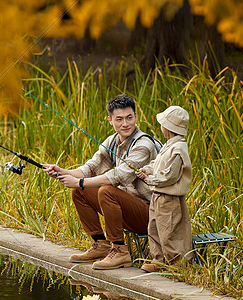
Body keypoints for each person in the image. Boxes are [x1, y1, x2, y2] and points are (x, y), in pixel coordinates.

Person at [44, 94, 160, 270]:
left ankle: (120, 251)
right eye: (119, 119)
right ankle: (101, 245)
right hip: (127, 208)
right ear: (110, 121)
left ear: (136, 116)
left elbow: (118, 176)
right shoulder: (112, 141)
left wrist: (79, 182)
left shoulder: (144, 144)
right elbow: (90, 168)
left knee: (106, 190)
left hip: (151, 215)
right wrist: (62, 171)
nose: (125, 124)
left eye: (129, 117)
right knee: (80, 191)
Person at [136, 105, 193, 272]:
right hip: (157, 195)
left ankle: (177, 264)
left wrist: (150, 179)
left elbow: (170, 176)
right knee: (154, 228)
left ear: (168, 127)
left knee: (169, 230)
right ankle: (158, 259)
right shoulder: (169, 145)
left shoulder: (178, 149)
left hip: (169, 198)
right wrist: (146, 170)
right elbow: (158, 164)